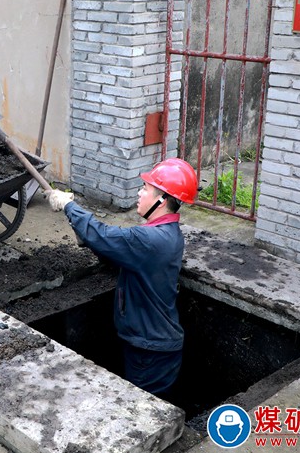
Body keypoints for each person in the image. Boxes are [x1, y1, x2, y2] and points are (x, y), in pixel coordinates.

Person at [46, 158, 199, 396]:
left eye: (145, 189)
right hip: (151, 343)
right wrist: (90, 240)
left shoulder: (150, 240)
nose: (139, 193)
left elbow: (107, 236)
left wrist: (69, 206)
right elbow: (117, 249)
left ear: (162, 200)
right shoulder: (166, 234)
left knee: (145, 411)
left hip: (150, 351)